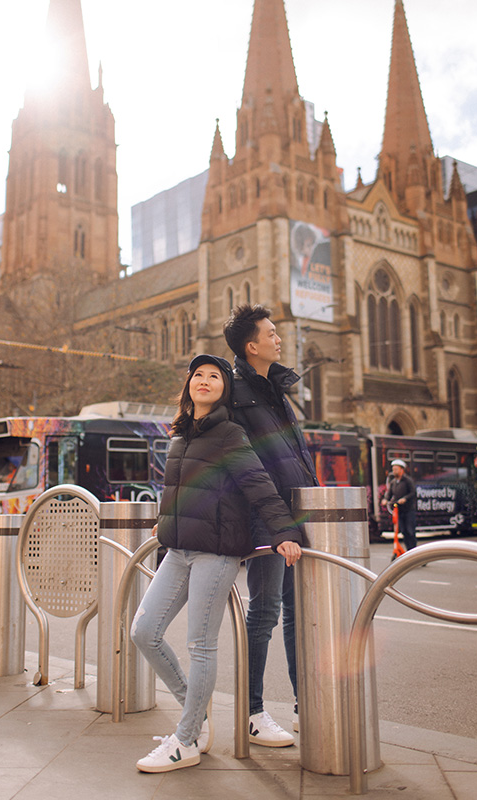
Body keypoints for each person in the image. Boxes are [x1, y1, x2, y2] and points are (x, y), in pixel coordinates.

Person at [130, 354, 306, 773]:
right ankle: (196, 713)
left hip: (217, 550)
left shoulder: (229, 433)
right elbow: (177, 490)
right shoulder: (180, 434)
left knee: (199, 645)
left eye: (214, 376)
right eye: (198, 375)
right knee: (144, 631)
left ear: (225, 389)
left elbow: (257, 483)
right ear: (188, 385)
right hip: (178, 550)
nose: (205, 381)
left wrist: (284, 531)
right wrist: (163, 524)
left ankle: (186, 740)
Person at [223, 304, 320, 747]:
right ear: (251, 345)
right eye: (271, 332)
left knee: (298, 614)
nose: (278, 338)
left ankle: (306, 703)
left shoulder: (275, 389)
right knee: (263, 614)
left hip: (297, 516)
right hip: (266, 520)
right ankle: (251, 712)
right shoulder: (236, 392)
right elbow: (241, 464)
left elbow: (293, 456)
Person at [382, 458, 417, 552]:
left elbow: (413, 492)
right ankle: (409, 552)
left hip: (409, 510)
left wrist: (405, 499)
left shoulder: (407, 480)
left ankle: (415, 552)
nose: (394, 471)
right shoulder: (393, 482)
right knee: (404, 532)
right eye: (393, 469)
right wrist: (385, 499)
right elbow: (389, 494)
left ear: (402, 470)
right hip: (399, 511)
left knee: (410, 532)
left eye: (396, 469)